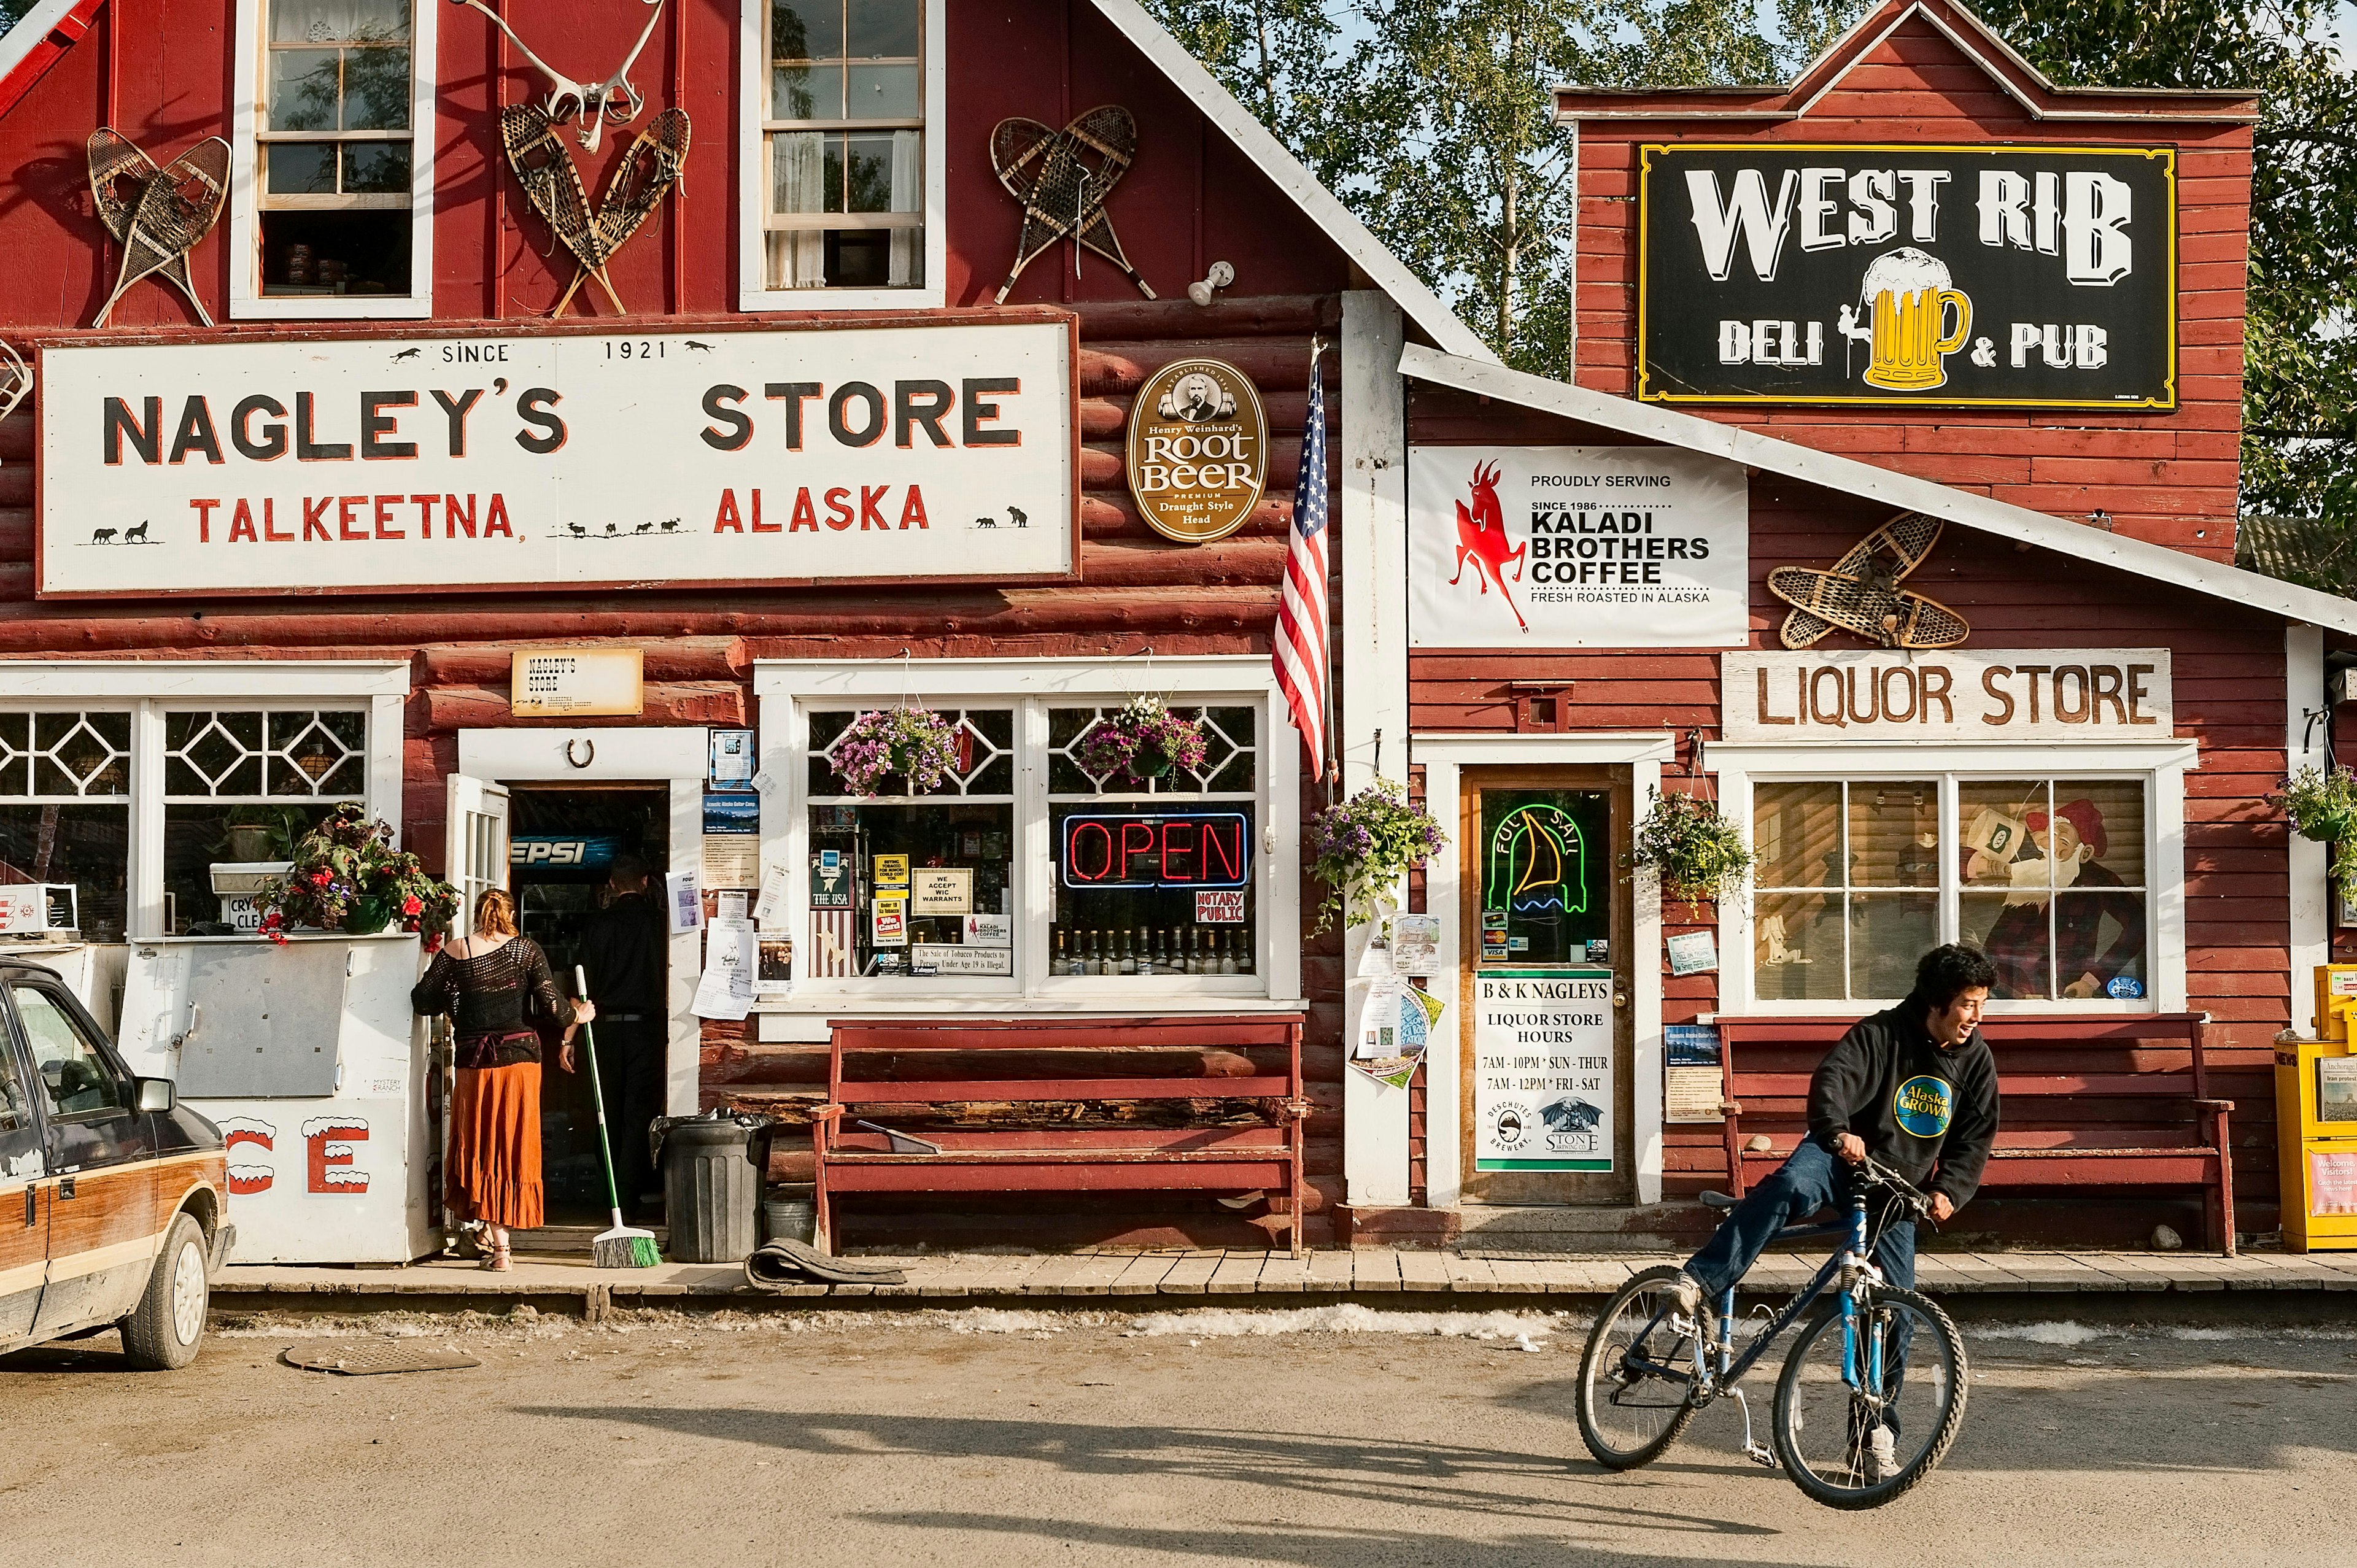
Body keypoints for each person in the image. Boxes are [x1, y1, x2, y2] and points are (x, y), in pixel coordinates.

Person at [1671, 943, 2000, 1478]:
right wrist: (1839, 1131)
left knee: (1895, 1313)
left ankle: (1872, 1436)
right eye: (1968, 1004)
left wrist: (1951, 1190)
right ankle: (1698, 1281)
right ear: (1936, 1003)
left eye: (1982, 1004)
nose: (1977, 1017)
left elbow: (1974, 1136)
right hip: (1837, 1155)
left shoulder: (1975, 1060)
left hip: (1894, 1190)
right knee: (1788, 1189)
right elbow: (1834, 1079)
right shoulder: (1881, 1034)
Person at [411, 888, 594, 1271]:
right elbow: (557, 1011)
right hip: (520, 1063)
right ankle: (500, 1248)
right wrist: (582, 1014)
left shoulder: (457, 950)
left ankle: (488, 1240)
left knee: (481, 1147)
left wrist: (460, 1001)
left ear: (478, 914)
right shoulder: (526, 950)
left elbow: (422, 999)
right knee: (512, 1148)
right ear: (511, 915)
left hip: (474, 1063)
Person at [1972, 798, 2145, 1000]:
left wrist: (2092, 980)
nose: (2048, 847)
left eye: (2061, 841)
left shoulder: (2098, 880)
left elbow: (2139, 925)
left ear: (2084, 853)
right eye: (2045, 837)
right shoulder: (2027, 865)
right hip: (2000, 989)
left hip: (2057, 992)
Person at [576, 852, 667, 1222]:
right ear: (645, 882)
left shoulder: (597, 925)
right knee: (639, 1114)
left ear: (612, 885)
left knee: (606, 1112)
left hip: (605, 1026)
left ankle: (612, 1197)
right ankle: (631, 1196)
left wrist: (570, 1036)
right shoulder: (660, 924)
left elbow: (581, 985)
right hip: (647, 1028)